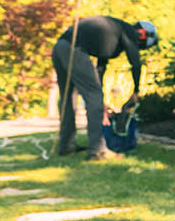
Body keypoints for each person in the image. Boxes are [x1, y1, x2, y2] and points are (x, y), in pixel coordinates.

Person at [51, 16, 158, 160]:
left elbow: (100, 69)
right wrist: (136, 92)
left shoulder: (112, 32)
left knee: (68, 97)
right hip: (74, 49)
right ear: (143, 35)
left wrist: (100, 102)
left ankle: (67, 146)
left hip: (60, 48)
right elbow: (136, 64)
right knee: (91, 96)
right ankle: (97, 151)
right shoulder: (129, 32)